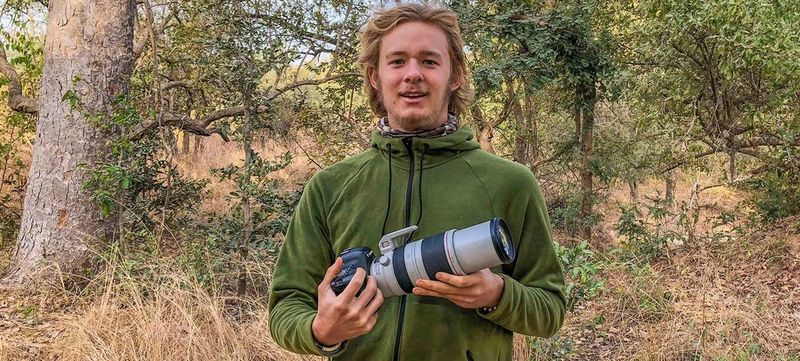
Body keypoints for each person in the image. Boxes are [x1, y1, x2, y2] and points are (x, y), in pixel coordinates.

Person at [268, 4, 566, 360]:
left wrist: (496, 294)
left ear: (453, 75)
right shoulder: (330, 187)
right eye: (397, 61)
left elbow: (550, 310)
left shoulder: (510, 183)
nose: (413, 74)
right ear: (375, 76)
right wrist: (321, 331)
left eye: (429, 61)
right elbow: (287, 305)